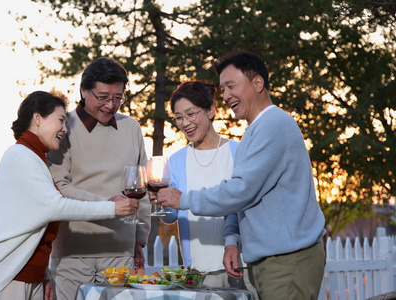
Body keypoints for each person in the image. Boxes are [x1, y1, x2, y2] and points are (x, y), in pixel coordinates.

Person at [156, 50, 326, 300]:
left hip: (287, 260)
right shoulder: (257, 130)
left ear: (258, 83)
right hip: (275, 260)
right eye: (223, 89)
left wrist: (183, 199)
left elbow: (240, 191)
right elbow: (245, 200)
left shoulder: (272, 126)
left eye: (231, 86)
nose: (225, 95)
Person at [0, 91, 139, 300]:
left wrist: (43, 275)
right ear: (37, 118)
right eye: (61, 121)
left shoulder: (36, 158)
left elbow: (30, 226)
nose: (64, 129)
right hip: (7, 279)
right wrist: (112, 208)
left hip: (28, 278)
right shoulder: (19, 155)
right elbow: (55, 207)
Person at [47, 58, 150, 300]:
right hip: (72, 252)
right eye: (103, 97)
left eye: (118, 97)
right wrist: (108, 206)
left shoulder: (132, 128)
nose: (110, 105)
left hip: (120, 251)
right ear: (84, 91)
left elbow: (141, 187)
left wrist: (140, 240)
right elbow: (58, 187)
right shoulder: (63, 127)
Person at [152, 80, 246, 287]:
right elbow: (171, 217)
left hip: (239, 264)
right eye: (178, 117)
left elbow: (242, 206)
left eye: (191, 113)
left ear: (211, 110)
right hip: (197, 272)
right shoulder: (175, 160)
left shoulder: (238, 152)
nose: (185, 123)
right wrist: (161, 202)